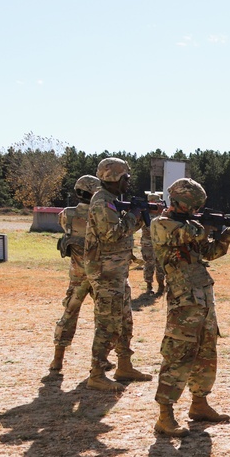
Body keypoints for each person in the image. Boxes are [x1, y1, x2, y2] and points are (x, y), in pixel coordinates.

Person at [151, 178, 230, 438]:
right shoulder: (161, 224)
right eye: (193, 207)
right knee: (178, 353)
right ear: (181, 203)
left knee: (206, 352)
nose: (195, 211)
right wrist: (208, 224)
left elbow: (210, 252)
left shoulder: (191, 224)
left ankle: (199, 403)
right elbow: (191, 233)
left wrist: (229, 233)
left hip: (203, 298)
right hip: (183, 301)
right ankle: (165, 414)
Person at [83, 157, 153, 392]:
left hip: (117, 272)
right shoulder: (102, 202)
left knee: (124, 321)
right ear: (114, 177)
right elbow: (113, 234)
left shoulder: (112, 200)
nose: (128, 182)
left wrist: (140, 214)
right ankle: (97, 373)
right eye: (125, 177)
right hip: (105, 273)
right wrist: (135, 214)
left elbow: (122, 230)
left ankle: (124, 366)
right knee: (108, 323)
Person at [48, 175, 99, 375]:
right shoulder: (100, 214)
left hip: (77, 274)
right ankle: (100, 361)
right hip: (98, 274)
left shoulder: (66, 214)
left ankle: (57, 359)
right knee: (105, 318)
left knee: (69, 314)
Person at [140, 192, 165, 295]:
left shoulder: (162, 214)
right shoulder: (144, 213)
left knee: (160, 265)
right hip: (147, 243)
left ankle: (161, 285)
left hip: (160, 243)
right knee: (149, 264)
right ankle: (149, 286)